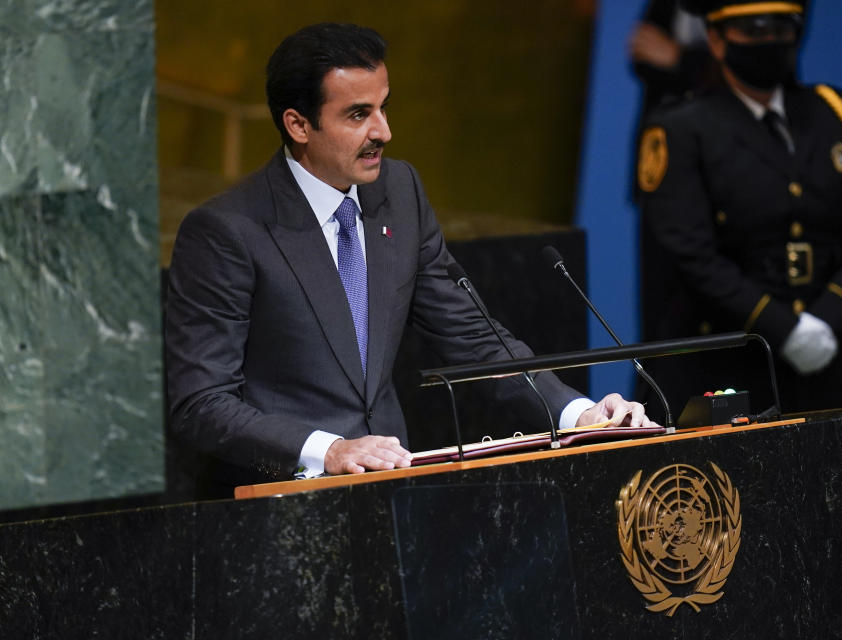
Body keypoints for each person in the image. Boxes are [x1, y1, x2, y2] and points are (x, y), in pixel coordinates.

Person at [165, 23, 653, 492]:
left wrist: (578, 414)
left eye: (384, 108)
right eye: (358, 115)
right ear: (298, 124)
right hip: (273, 508)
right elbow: (201, 404)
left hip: (391, 490)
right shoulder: (227, 231)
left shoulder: (399, 191)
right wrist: (328, 449)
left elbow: (472, 337)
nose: (384, 131)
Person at [636, 0, 842, 415]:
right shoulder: (681, 128)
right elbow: (692, 254)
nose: (769, 41)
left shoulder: (836, 113)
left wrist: (829, 319)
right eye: (753, 30)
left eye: (781, 28)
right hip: (732, 365)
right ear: (717, 40)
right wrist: (784, 330)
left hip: (833, 359)